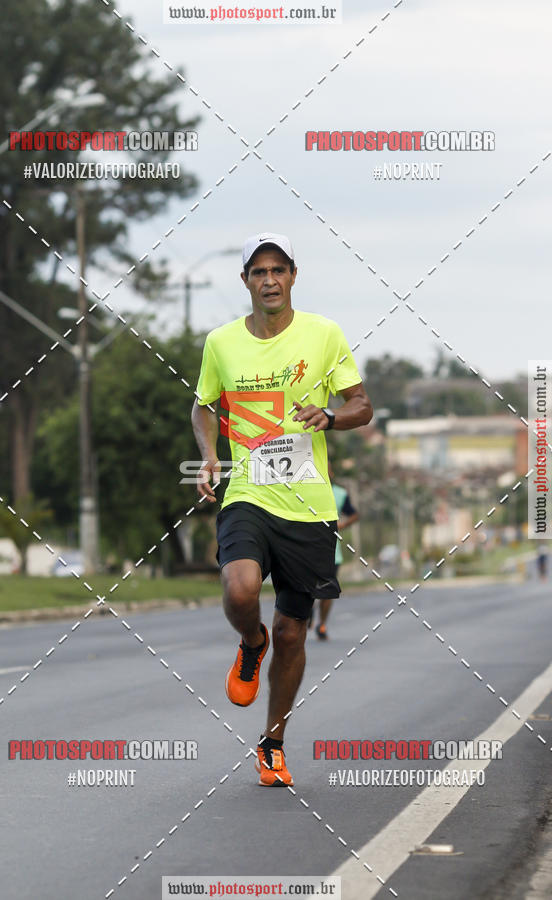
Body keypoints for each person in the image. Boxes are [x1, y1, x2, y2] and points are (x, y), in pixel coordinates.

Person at [191, 233, 373, 786]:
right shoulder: (221, 343)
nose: (269, 279)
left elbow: (362, 406)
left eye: (278, 269)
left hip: (308, 505)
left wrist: (332, 417)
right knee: (241, 589)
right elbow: (203, 406)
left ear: (293, 275)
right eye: (258, 271)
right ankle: (251, 643)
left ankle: (273, 741)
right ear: (244, 280)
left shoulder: (324, 335)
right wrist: (208, 457)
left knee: (293, 633)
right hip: (248, 491)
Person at [311, 462, 359, 640]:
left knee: (327, 590)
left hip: (332, 552)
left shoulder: (339, 493)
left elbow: (354, 514)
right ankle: (305, 613)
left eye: (328, 468)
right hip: (306, 549)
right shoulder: (305, 490)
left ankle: (321, 624)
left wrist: (343, 524)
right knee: (306, 587)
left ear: (331, 472)